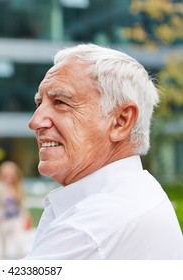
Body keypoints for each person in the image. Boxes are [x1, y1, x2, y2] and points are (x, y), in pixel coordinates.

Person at [25, 43, 183, 259]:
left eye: (60, 102)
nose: (35, 122)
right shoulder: (138, 193)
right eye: (39, 103)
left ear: (121, 121)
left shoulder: (90, 230)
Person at [0, 161, 29, 259]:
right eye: (7, 173)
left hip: (16, 219)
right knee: (3, 248)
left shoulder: (18, 186)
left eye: (11, 173)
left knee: (20, 244)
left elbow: (22, 204)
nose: (9, 175)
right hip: (2, 220)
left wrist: (25, 217)